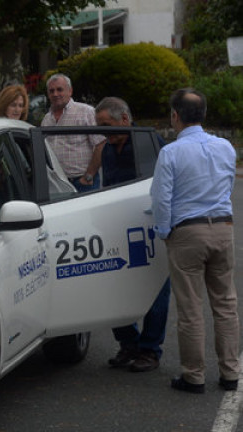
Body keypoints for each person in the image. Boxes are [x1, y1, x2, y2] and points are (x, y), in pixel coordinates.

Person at [151, 88, 240, 394]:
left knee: (190, 308)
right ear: (204, 114)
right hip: (223, 228)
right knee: (226, 303)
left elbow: (162, 199)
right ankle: (230, 373)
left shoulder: (171, 152)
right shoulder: (226, 147)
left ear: (175, 116)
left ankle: (194, 375)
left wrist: (164, 232)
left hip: (188, 231)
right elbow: (227, 184)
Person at [93, 96, 171, 373]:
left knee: (156, 290)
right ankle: (129, 343)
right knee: (114, 287)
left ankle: (150, 350)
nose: (103, 131)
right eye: (99, 125)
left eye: (107, 124)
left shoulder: (149, 143)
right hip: (117, 228)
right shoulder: (109, 149)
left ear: (125, 119)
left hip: (149, 229)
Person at [41, 73, 105, 192]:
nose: (55, 94)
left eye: (60, 89)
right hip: (57, 185)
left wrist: (89, 176)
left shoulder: (86, 112)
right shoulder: (46, 119)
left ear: (70, 91)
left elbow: (101, 144)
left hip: (83, 183)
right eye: (51, 91)